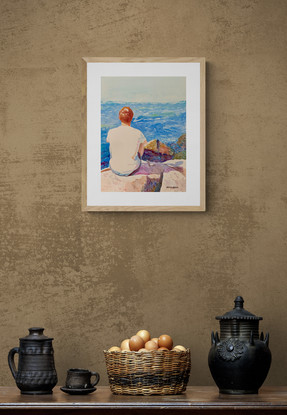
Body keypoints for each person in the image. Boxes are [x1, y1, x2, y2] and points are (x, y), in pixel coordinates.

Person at [107, 106, 147, 176]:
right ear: (131, 118)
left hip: (115, 168)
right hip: (132, 168)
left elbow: (108, 140)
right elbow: (145, 143)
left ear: (119, 118)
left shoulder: (111, 132)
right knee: (141, 144)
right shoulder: (138, 132)